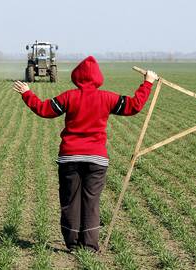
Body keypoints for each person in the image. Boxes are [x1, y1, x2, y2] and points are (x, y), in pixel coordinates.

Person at [12, 56, 158, 253]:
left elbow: (45, 110)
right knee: (91, 202)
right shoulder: (107, 98)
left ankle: (73, 244)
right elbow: (134, 106)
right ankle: (89, 246)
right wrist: (147, 82)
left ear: (76, 77)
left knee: (71, 201)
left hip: (69, 158)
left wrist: (28, 94)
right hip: (97, 160)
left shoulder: (69, 96)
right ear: (98, 78)